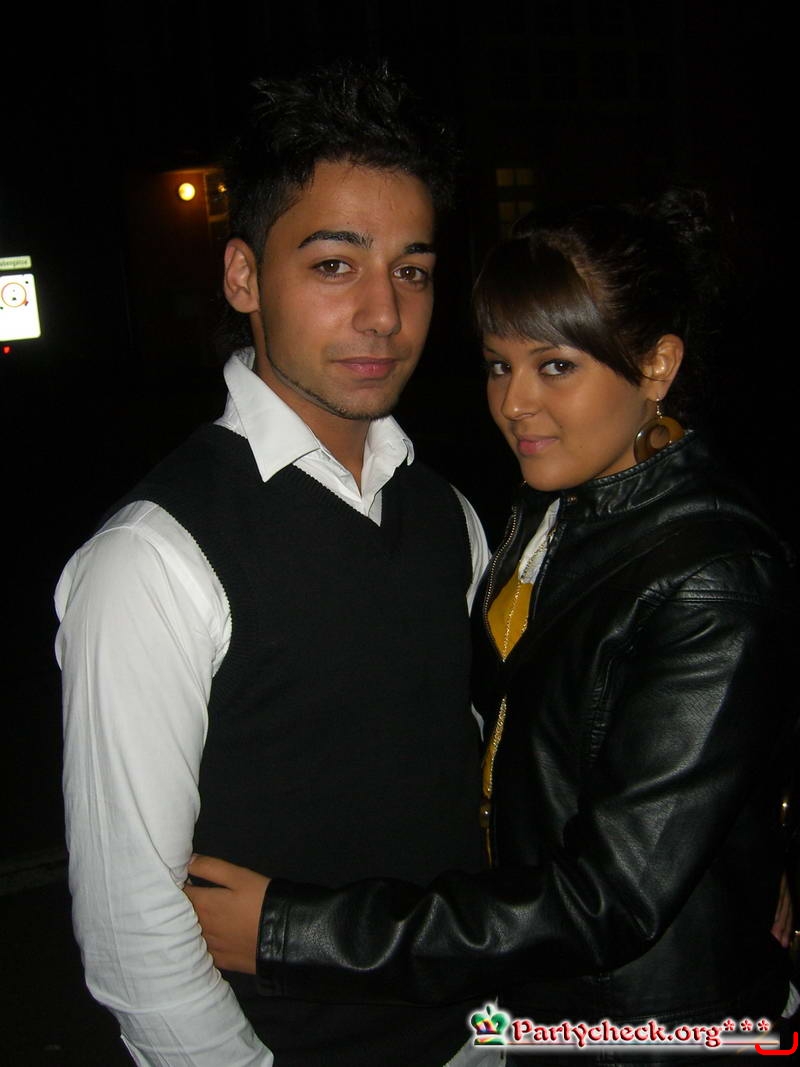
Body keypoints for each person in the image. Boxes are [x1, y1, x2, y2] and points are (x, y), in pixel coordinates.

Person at [187, 190, 797, 1063]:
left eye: (556, 367)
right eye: (498, 364)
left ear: (656, 366)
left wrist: (292, 931)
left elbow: (610, 897)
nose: (514, 403)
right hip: (539, 997)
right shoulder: (553, 509)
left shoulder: (709, 575)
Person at [56, 62, 491, 1067]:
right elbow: (134, 936)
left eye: (412, 270)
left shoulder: (447, 514)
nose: (384, 314)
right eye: (335, 265)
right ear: (244, 277)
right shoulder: (154, 557)